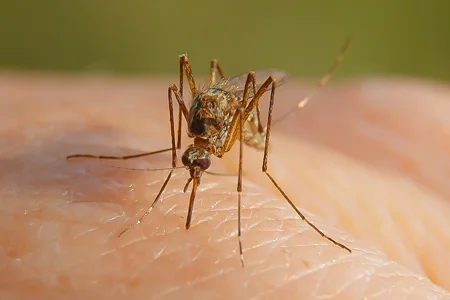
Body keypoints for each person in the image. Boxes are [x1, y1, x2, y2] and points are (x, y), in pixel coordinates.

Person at [1, 73, 449, 299]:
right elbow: (183, 99)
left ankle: (264, 171)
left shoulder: (217, 133)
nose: (194, 169)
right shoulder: (193, 135)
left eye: (193, 163)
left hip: (238, 127)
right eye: (192, 163)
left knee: (259, 83)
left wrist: (252, 166)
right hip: (212, 119)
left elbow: (252, 91)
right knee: (184, 77)